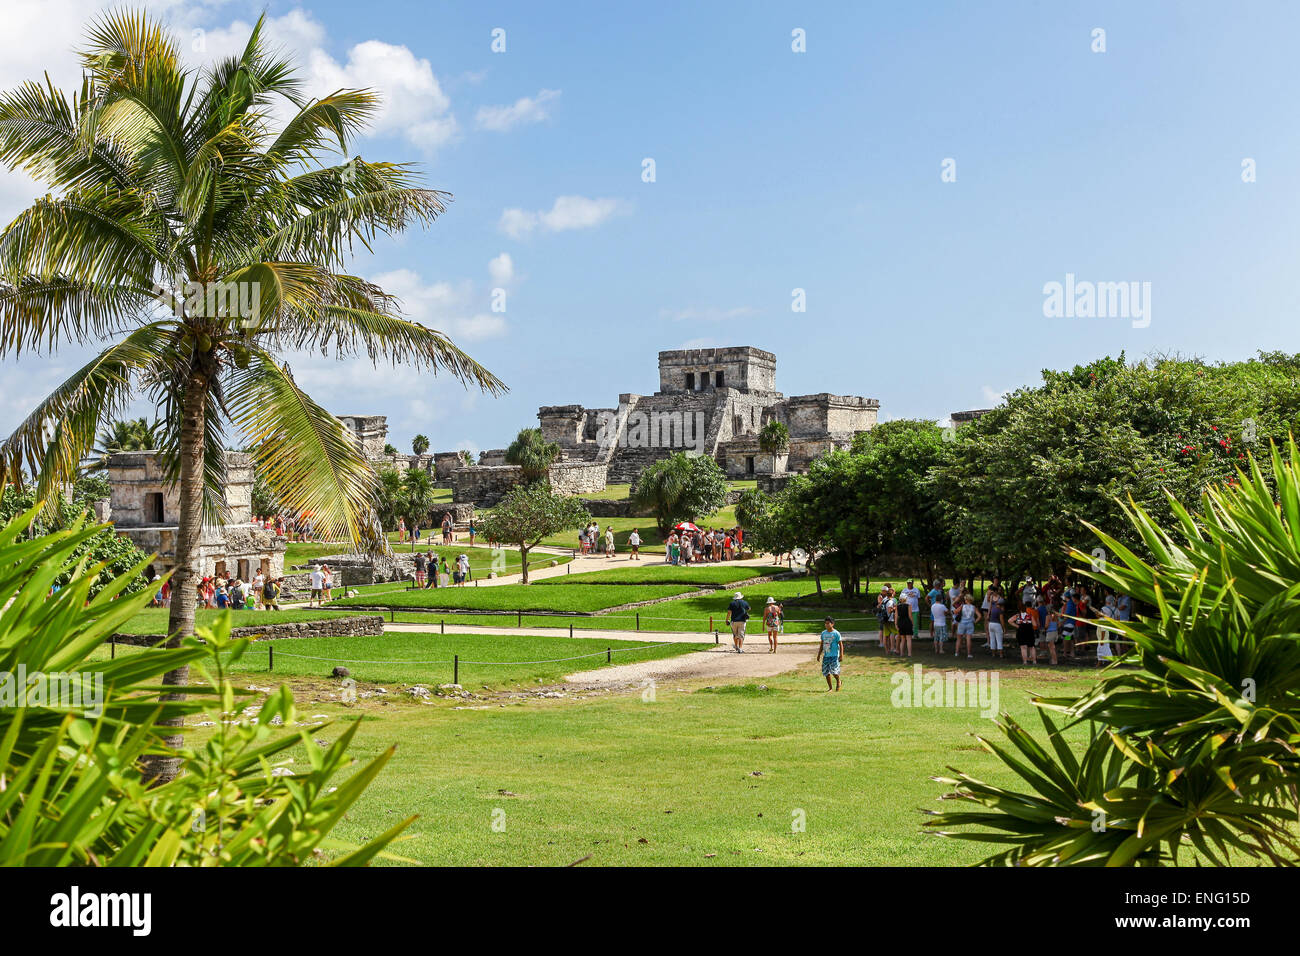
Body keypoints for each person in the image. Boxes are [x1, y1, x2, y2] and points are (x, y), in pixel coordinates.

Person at [817, 616, 842, 691]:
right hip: (826, 656)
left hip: (834, 656)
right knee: (826, 672)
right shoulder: (823, 633)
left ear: (832, 624)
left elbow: (841, 644)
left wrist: (841, 655)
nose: (826, 625)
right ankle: (830, 688)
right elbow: (822, 644)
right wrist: (819, 655)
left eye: (828, 623)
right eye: (825, 623)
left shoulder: (836, 633)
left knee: (834, 672)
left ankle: (838, 681)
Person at [954, 595, 982, 659]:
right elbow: (979, 616)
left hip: (961, 624)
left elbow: (955, 612)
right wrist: (975, 622)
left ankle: (956, 653)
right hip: (970, 624)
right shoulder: (973, 607)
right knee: (968, 639)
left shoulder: (962, 606)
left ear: (966, 600)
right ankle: (969, 654)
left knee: (959, 639)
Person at [986, 587, 1005, 659]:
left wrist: (989, 615)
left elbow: (991, 606)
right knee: (997, 639)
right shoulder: (999, 610)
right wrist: (1004, 628)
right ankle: (999, 654)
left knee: (993, 638)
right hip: (996, 622)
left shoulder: (999, 599)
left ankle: (995, 654)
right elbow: (990, 606)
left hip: (993, 621)